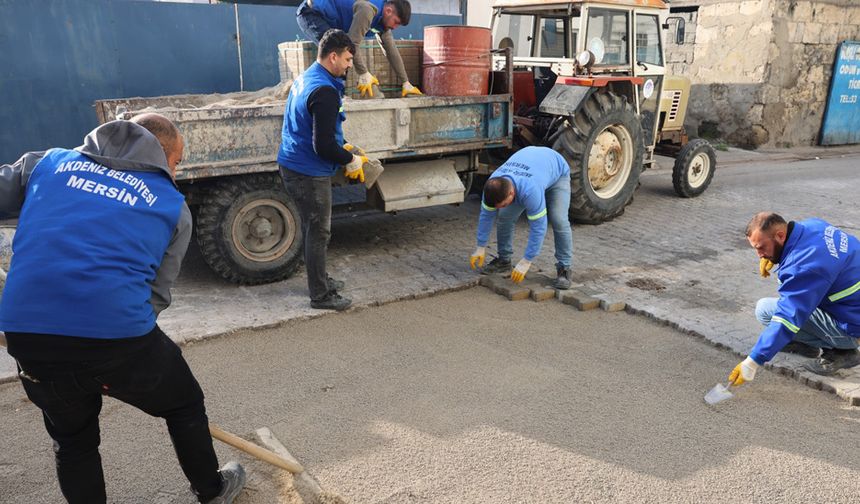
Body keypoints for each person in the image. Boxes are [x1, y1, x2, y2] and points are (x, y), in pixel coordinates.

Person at [0, 114, 245, 504]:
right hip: (118, 337)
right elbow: (157, 294)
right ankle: (212, 489)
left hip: (29, 337)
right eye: (178, 161)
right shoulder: (171, 205)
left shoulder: (46, 163)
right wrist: (115, 347)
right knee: (184, 404)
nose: (176, 172)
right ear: (162, 154)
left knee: (73, 442)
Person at [279, 29, 369, 311]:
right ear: (333, 56)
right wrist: (348, 158)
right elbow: (323, 146)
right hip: (309, 170)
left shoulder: (309, 76)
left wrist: (343, 144)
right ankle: (320, 294)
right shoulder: (325, 91)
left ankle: (321, 280)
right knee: (319, 232)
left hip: (295, 163)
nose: (349, 65)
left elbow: (316, 128)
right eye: (346, 59)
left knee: (312, 228)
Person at [729, 212, 860, 386]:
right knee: (766, 309)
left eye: (761, 247)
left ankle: (844, 350)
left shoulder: (805, 266)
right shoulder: (813, 225)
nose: (759, 255)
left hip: (853, 325)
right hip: (851, 306)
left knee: (769, 312)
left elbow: (787, 316)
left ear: (780, 236)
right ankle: (806, 344)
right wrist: (778, 259)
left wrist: (753, 361)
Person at [469, 146, 574, 290]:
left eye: (504, 203)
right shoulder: (493, 183)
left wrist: (527, 260)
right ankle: (504, 260)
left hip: (557, 173)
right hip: (534, 168)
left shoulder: (529, 191)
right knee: (504, 216)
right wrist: (480, 246)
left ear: (512, 193)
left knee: (558, 219)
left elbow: (538, 227)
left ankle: (564, 268)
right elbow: (486, 216)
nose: (500, 207)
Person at [296, 0, 423, 98]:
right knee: (336, 53)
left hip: (330, 21)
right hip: (311, 14)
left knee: (340, 53)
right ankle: (324, 95)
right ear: (389, 11)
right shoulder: (367, 10)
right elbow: (351, 46)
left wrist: (406, 83)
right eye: (396, 22)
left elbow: (391, 51)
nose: (395, 27)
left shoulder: (383, 22)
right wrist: (363, 73)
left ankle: (337, 95)